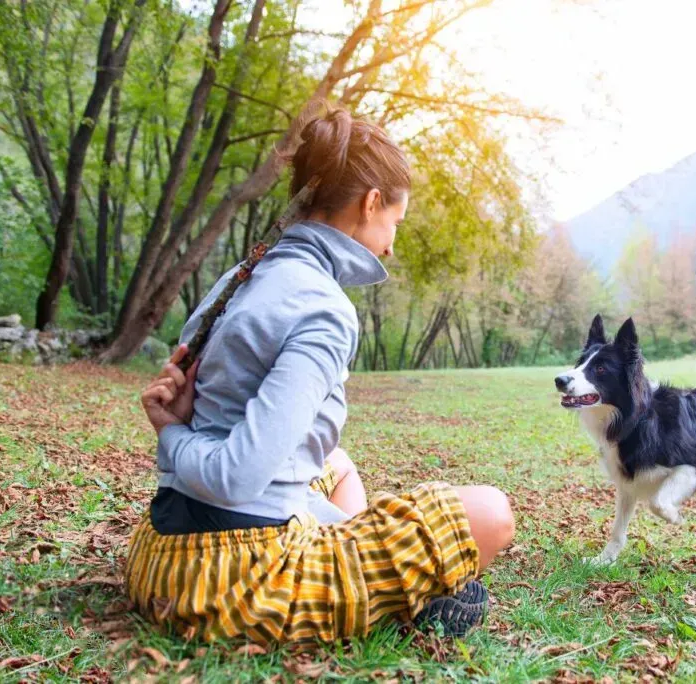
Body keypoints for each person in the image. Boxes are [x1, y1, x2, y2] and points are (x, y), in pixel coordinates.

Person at [127, 109, 515, 645]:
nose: (391, 244)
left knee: (336, 462)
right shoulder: (324, 308)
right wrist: (169, 434)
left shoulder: (241, 278)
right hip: (230, 579)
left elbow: (207, 428)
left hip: (161, 551)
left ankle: (351, 558)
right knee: (491, 514)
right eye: (394, 225)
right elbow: (235, 477)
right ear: (371, 201)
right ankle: (378, 595)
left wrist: (177, 431)